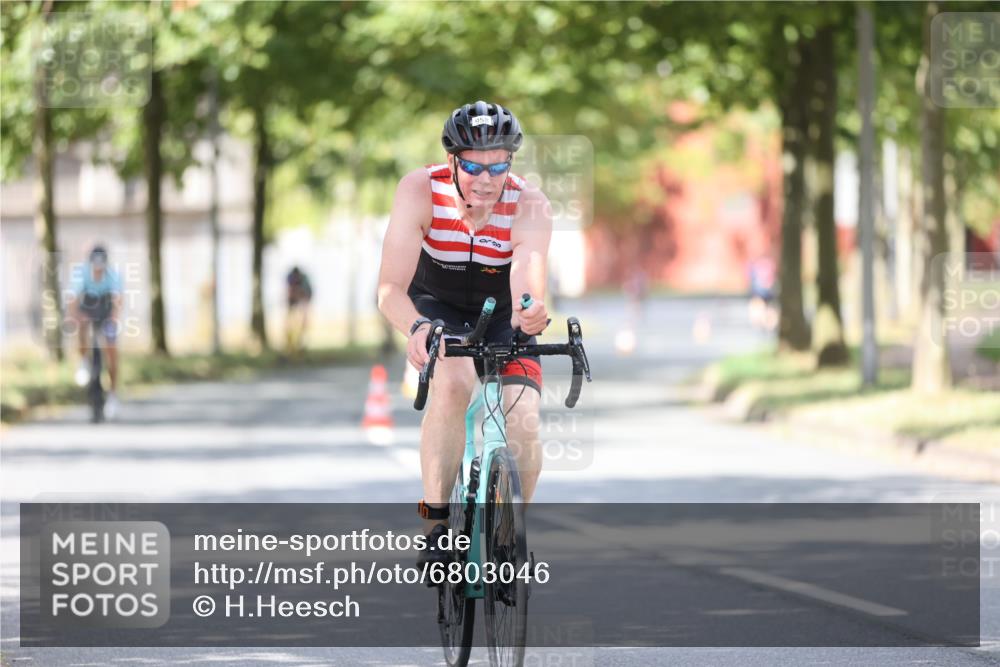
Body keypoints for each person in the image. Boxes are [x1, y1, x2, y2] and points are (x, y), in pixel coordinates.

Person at [376, 101, 552, 567]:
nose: (487, 179)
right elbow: (390, 289)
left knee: (525, 418)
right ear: (452, 160)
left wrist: (531, 311)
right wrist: (415, 327)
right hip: (436, 308)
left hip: (501, 312)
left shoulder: (529, 203)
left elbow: (527, 275)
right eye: (474, 166)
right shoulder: (419, 190)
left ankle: (511, 534)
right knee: (453, 385)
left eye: (499, 166)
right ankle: (435, 525)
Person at [69, 245, 122, 418]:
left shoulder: (114, 275)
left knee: (111, 349)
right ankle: (83, 359)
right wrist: (76, 316)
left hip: (106, 308)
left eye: (101, 267)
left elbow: (117, 300)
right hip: (89, 306)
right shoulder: (82, 274)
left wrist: (113, 318)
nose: (98, 271)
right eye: (95, 267)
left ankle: (113, 395)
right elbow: (74, 299)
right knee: (81, 326)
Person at [285, 266, 313, 357]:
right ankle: (290, 343)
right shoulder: (290, 279)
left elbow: (306, 296)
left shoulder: (304, 281)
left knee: (302, 321)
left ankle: (300, 342)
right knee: (290, 322)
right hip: (294, 301)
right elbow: (289, 293)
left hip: (303, 299)